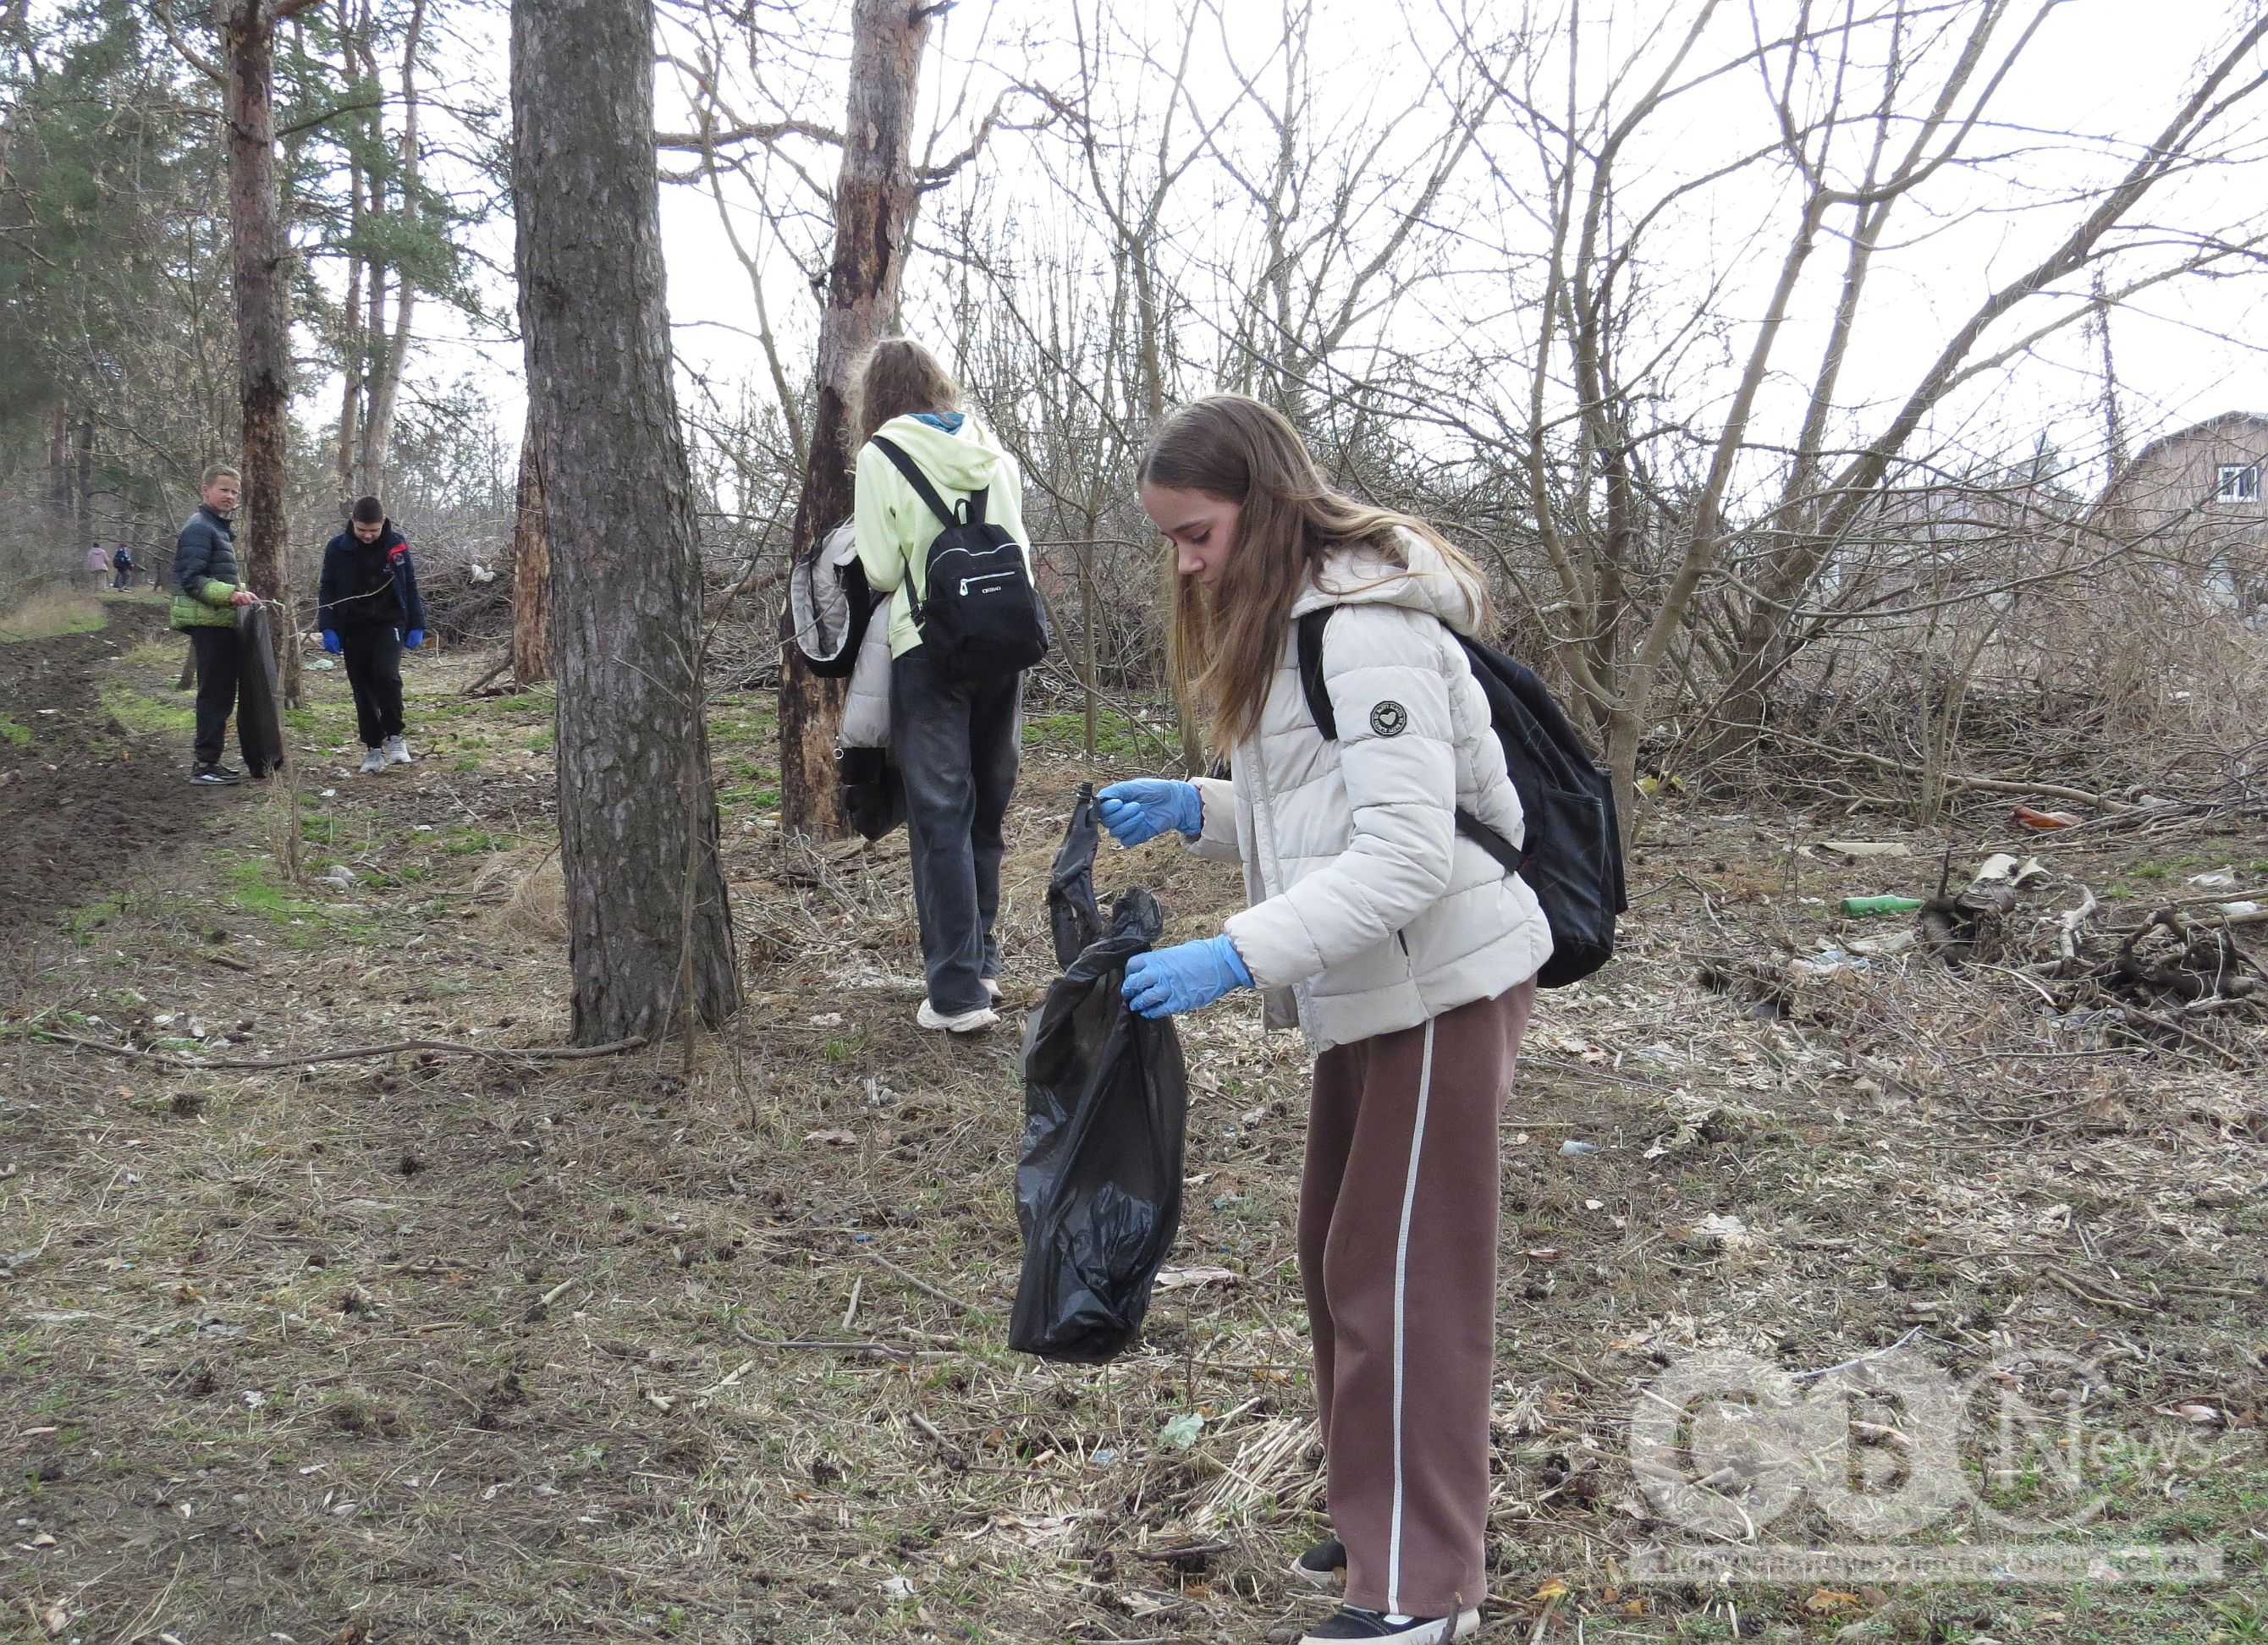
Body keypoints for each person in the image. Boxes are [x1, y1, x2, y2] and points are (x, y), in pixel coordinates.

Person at [1096, 396, 1553, 1645]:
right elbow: (1323, 816)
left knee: (1403, 1278)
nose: (1184, 563)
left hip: (1439, 982)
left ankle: (1417, 1590)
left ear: (1266, 503)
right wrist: (1202, 805)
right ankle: (1379, 1514)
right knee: (1338, 1253)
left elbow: (1406, 858)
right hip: (1377, 985)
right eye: (1171, 542)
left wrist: (1232, 956)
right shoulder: (1301, 626)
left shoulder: (1366, 633)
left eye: (1196, 535)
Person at [851, 338, 1032, 1034]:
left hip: (926, 647)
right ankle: (982, 963)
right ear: (937, 385)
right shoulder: (991, 447)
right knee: (986, 809)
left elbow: (879, 570)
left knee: (940, 817)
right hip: (1004, 641)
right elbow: (1016, 545)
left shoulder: (880, 455)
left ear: (879, 396)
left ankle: (957, 995)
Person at [318, 495, 427, 776]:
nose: (368, 536)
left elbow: (410, 585)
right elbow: (327, 588)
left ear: (383, 524)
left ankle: (395, 737)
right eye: (362, 530)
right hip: (352, 625)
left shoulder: (396, 545)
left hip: (388, 621)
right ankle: (373, 747)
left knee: (387, 677)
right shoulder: (337, 549)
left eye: (373, 531)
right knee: (362, 688)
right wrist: (327, 627)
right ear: (353, 522)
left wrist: (417, 623)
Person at [170, 465, 262, 785]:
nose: (230, 496)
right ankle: (205, 766)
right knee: (214, 695)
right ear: (205, 489)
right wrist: (230, 595)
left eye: (235, 491)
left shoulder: (218, 528)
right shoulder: (199, 528)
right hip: (209, 623)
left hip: (220, 622)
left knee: (222, 694)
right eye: (224, 489)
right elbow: (191, 580)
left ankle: (211, 762)